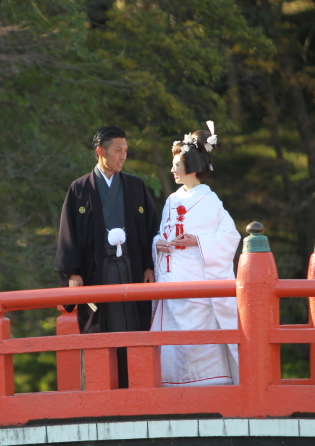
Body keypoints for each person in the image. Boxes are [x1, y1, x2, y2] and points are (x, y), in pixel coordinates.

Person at [55, 126, 158, 388]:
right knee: (102, 326)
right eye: (117, 150)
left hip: (132, 269)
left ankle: (136, 385)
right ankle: (103, 387)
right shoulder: (79, 188)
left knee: (133, 323)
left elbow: (150, 228)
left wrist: (149, 265)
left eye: (125, 151)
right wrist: (73, 273)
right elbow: (68, 233)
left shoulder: (135, 186)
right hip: (96, 271)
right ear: (100, 152)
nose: (123, 156)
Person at [151, 122, 241, 387]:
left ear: (190, 167)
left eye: (176, 165)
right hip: (169, 280)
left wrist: (197, 241)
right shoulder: (171, 200)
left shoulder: (210, 202)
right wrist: (158, 242)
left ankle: (209, 383)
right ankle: (170, 383)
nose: (172, 170)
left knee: (199, 334)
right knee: (172, 339)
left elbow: (230, 237)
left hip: (198, 281)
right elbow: (162, 232)